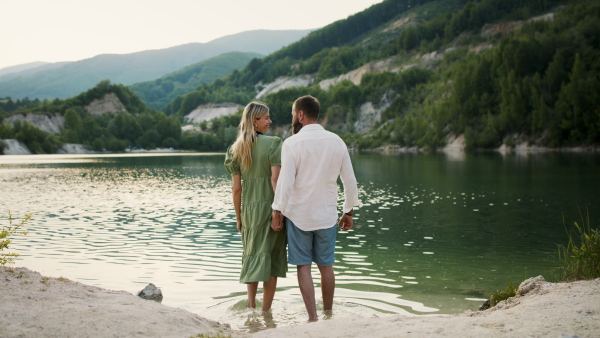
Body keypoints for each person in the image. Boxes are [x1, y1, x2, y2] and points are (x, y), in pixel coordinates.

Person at [271, 95, 359, 322]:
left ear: (300, 115)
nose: (293, 118)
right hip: (327, 216)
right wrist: (348, 211)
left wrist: (277, 210)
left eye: (293, 114)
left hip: (299, 215)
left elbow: (285, 182)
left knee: (303, 266)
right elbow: (350, 181)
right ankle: (328, 314)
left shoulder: (292, 143)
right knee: (326, 266)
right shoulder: (337, 141)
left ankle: (313, 318)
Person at [224, 101, 287, 312]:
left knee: (251, 257)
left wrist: (239, 217)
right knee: (271, 260)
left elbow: (236, 189)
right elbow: (275, 180)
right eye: (266, 118)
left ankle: (251, 308)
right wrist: (277, 212)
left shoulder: (235, 150)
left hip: (249, 211)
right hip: (271, 208)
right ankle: (266, 312)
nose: (270, 121)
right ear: (255, 121)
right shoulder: (274, 143)